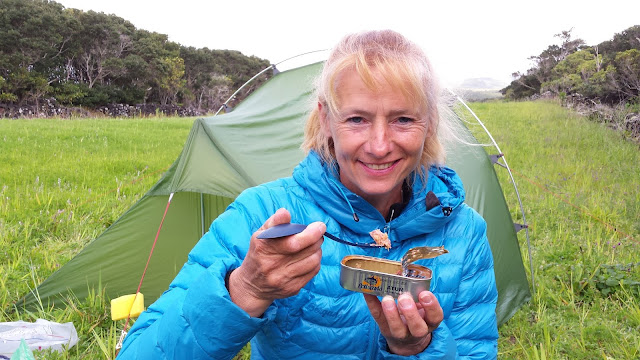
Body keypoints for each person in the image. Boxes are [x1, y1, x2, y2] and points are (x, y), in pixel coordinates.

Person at [118, 29, 498, 359]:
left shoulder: (462, 233)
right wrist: (244, 290)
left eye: (402, 119)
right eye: (356, 119)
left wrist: (416, 350)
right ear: (326, 120)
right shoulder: (263, 214)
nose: (380, 146)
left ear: (429, 123)